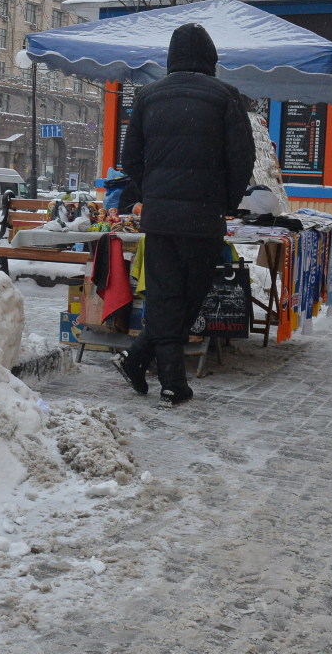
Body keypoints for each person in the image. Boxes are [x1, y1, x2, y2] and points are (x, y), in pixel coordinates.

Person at [111, 23, 255, 407]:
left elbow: (130, 160)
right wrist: (224, 201)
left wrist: (152, 193)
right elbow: (242, 159)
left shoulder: (148, 96)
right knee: (190, 296)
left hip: (159, 219)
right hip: (203, 218)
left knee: (165, 296)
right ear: (210, 57)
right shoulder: (226, 96)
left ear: (171, 57)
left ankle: (138, 357)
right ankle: (173, 383)